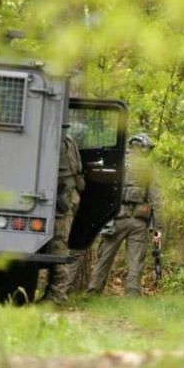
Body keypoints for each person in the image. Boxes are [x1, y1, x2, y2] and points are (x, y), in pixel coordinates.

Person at [87, 133, 162, 297]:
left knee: (104, 257)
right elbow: (156, 200)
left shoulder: (116, 161)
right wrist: (158, 228)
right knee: (136, 260)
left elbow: (101, 191)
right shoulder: (148, 169)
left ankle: (93, 291)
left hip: (115, 218)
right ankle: (133, 294)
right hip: (138, 221)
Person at [39, 130, 85, 304]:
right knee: (58, 243)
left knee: (58, 244)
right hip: (67, 195)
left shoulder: (57, 139)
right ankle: (54, 293)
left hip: (63, 197)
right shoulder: (67, 139)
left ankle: (57, 295)